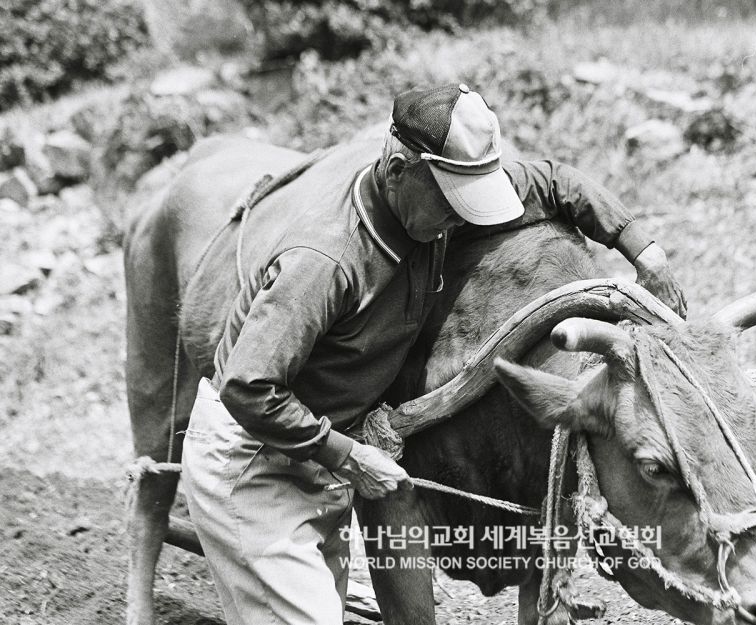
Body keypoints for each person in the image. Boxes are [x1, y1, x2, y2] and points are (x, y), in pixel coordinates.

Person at [180, 83, 686, 625]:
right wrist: (347, 455)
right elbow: (247, 386)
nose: (460, 218)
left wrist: (643, 251)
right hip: (254, 456)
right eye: (450, 200)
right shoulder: (325, 259)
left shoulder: (433, 205)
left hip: (317, 457)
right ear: (398, 169)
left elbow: (557, 182)